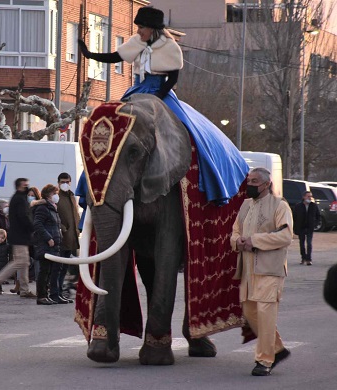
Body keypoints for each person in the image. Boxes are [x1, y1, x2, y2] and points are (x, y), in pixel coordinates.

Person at [78, 5, 248, 206]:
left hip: (161, 92)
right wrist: (90, 55)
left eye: (142, 27)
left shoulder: (169, 47)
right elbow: (116, 56)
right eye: (138, 27)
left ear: (153, 29)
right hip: (137, 90)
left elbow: (172, 78)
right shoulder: (137, 42)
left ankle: (205, 173)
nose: (139, 31)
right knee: (114, 129)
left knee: (188, 130)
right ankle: (90, 183)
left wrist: (157, 98)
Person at [230, 167, 293, 376]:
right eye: (249, 181)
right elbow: (235, 230)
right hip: (247, 269)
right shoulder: (246, 205)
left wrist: (255, 241)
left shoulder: (279, 205)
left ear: (266, 184)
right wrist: (237, 241)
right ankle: (277, 349)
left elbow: (285, 236)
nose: (250, 185)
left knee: (266, 313)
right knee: (250, 312)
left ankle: (265, 361)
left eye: (255, 182)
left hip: (270, 268)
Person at [0, 178, 36, 298]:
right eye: (25, 185)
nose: (27, 186)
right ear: (20, 186)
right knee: (20, 262)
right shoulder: (19, 199)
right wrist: (32, 227)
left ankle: (25, 290)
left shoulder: (19, 198)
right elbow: (23, 216)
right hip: (20, 236)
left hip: (20, 235)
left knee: (24, 263)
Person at [32, 185, 63, 305]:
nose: (56, 195)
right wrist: (48, 238)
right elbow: (38, 224)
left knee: (52, 270)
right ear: (48, 194)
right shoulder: (43, 208)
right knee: (44, 271)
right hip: (46, 245)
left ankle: (50, 295)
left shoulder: (52, 208)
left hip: (55, 245)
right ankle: (41, 296)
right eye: (54, 193)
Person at [52, 173, 79, 303]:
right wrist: (63, 228)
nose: (65, 184)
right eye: (63, 181)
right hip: (62, 237)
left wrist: (77, 228)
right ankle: (55, 292)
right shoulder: (56, 197)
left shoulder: (71, 196)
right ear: (58, 182)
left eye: (67, 181)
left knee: (65, 267)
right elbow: (54, 215)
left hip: (72, 237)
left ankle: (61, 292)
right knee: (58, 267)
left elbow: (75, 214)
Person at [293, 191, 320, 266]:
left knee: (309, 243)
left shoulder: (313, 206)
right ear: (304, 197)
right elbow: (294, 217)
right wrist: (295, 227)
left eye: (310, 196)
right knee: (302, 244)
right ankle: (303, 258)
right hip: (301, 227)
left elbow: (318, 216)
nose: (309, 198)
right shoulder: (298, 206)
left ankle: (309, 259)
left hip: (310, 227)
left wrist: (315, 224)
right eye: (308, 196)